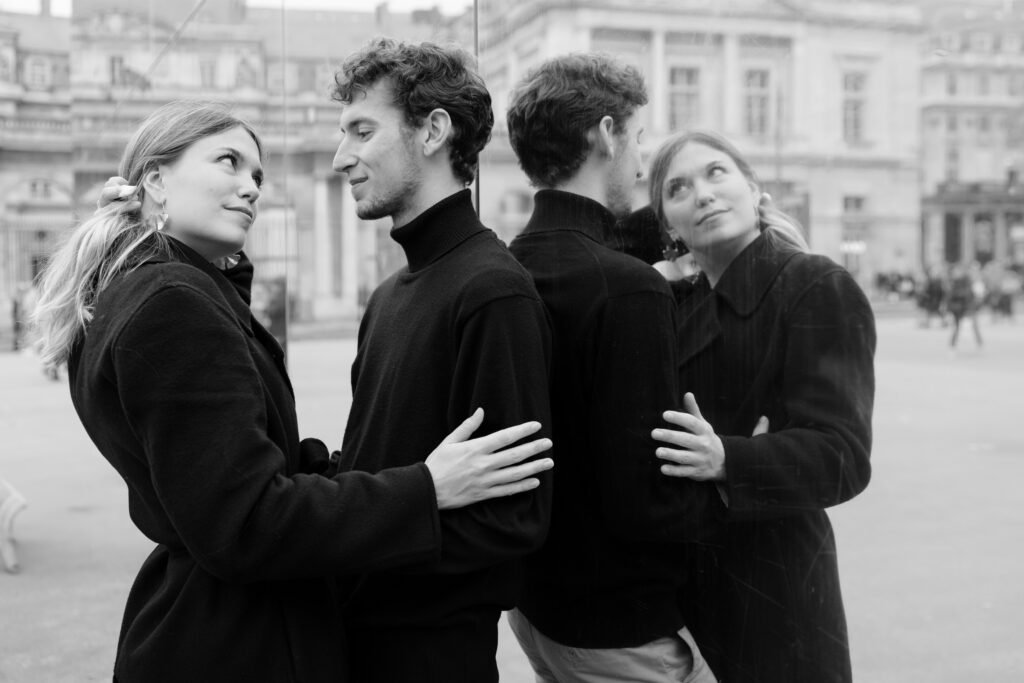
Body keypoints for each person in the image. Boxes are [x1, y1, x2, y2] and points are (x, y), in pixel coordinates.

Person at [31, 100, 553, 682]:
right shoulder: (173, 304)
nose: (250, 187)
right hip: (234, 642)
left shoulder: (142, 287)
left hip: (201, 622)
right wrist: (425, 488)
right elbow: (248, 521)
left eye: (256, 175)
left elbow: (242, 458)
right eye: (228, 162)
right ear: (155, 178)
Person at [329, 39, 554, 682]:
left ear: (432, 131)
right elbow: (379, 460)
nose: (343, 156)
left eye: (362, 131)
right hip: (366, 636)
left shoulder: (492, 290)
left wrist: (352, 546)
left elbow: (516, 519)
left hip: (431, 654)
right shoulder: (389, 295)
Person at [504, 53, 720, 683]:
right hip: (619, 624)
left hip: (540, 605)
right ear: (604, 133)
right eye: (638, 137)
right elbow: (643, 498)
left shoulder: (510, 265)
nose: (641, 159)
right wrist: (729, 478)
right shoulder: (627, 288)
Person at [647, 130, 876, 683]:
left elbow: (842, 456)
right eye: (678, 188)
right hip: (693, 595)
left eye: (716, 173)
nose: (702, 194)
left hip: (779, 592)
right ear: (667, 226)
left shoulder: (814, 283)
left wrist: (727, 458)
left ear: (754, 189)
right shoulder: (676, 306)